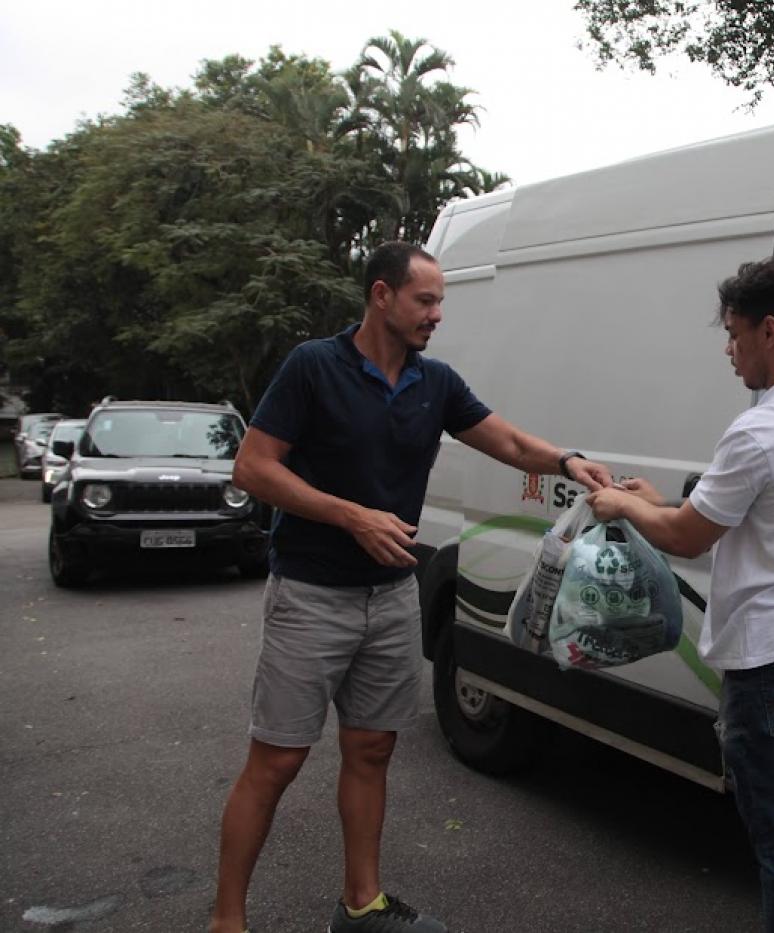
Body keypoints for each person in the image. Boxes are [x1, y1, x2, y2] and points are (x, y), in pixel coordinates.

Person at [210, 241, 612, 933]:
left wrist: (568, 460)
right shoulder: (315, 367)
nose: (437, 314)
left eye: (440, 301)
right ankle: (227, 920)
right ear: (381, 296)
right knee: (276, 759)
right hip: (312, 592)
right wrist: (349, 514)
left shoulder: (436, 383)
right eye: (425, 300)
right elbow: (253, 467)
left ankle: (361, 904)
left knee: (371, 751)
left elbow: (509, 443)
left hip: (391, 595)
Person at [587, 255, 774, 932]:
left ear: (771, 331)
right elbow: (758, 514)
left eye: (734, 333)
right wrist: (661, 500)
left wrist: (623, 505)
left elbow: (691, 538)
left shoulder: (758, 428)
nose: (729, 349)